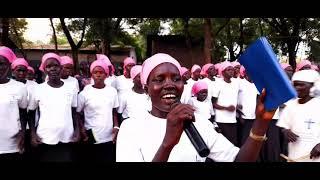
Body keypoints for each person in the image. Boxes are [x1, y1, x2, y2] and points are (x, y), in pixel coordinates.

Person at [116, 53, 276, 162]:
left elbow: (239, 159)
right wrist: (168, 144)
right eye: (159, 79)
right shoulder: (131, 128)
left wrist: (261, 123)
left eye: (176, 79)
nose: (170, 85)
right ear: (146, 89)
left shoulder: (198, 123)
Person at [28, 53, 80, 162]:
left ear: (61, 68)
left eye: (56, 65)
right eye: (48, 66)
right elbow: (31, 113)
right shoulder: (38, 89)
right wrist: (33, 134)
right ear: (44, 70)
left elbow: (74, 111)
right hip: (45, 138)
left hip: (67, 137)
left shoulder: (71, 88)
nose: (53, 69)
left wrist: (77, 130)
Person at [77, 60, 119, 162]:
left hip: (108, 135)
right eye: (95, 72)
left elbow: (114, 111)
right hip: (91, 134)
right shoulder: (85, 93)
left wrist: (116, 126)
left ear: (106, 75)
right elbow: (77, 113)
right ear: (92, 75)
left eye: (101, 72)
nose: (98, 75)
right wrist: (82, 130)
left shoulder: (112, 91)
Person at [277, 70, 320, 162]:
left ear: (313, 86)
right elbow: (284, 125)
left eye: (301, 85)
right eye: (295, 85)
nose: (296, 88)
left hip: (315, 157)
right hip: (294, 155)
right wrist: (285, 131)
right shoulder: (291, 105)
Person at [0, 46, 27, 161]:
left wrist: (23, 133)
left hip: (11, 144)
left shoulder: (19, 87)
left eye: (2, 64)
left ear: (9, 66)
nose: (0, 67)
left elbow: (23, 112)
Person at [11, 58, 38, 161]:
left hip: (31, 125)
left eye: (24, 70)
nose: (22, 73)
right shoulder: (10, 85)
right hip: (15, 126)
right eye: (19, 70)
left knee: (31, 153)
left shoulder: (34, 85)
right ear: (13, 71)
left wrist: (33, 130)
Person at [212, 61, 239, 146]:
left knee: (233, 143)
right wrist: (226, 108)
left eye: (232, 69)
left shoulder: (235, 83)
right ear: (223, 72)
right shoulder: (218, 83)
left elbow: (232, 100)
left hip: (233, 119)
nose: (231, 71)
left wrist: (237, 106)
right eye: (229, 70)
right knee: (223, 144)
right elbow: (213, 103)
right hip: (221, 120)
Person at [237, 67, 259, 146]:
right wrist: (239, 115)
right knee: (243, 138)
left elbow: (257, 99)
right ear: (245, 72)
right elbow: (235, 98)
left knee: (251, 138)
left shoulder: (255, 84)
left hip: (253, 116)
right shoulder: (240, 83)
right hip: (243, 116)